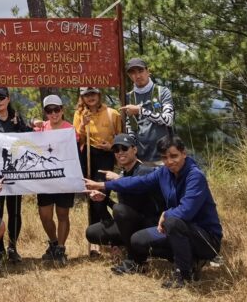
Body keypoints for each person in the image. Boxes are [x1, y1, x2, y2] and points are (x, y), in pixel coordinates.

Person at [84, 136, 223, 289]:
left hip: (206, 238)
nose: (169, 161)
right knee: (137, 241)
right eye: (164, 157)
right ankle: (191, 259)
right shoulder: (164, 172)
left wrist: (166, 214)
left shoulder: (195, 176)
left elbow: (186, 211)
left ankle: (183, 273)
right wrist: (102, 185)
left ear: (184, 153)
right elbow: (137, 182)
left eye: (174, 156)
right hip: (176, 228)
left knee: (172, 221)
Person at [84, 133, 164, 264]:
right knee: (92, 232)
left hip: (149, 225)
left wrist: (114, 181)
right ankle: (125, 245)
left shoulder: (145, 171)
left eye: (124, 148)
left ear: (135, 150)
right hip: (130, 223)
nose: (120, 152)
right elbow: (126, 207)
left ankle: (135, 259)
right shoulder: (123, 173)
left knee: (120, 210)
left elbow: (133, 193)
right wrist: (104, 199)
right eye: (116, 150)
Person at [0, 86, 32, 262]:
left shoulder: (17, 117)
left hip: (15, 172)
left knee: (15, 211)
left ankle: (13, 248)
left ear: (8, 99)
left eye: (2, 97)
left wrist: (31, 128)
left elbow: (28, 138)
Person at [72, 86, 120, 256]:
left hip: (105, 156)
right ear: (82, 97)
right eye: (87, 95)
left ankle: (115, 237)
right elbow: (78, 139)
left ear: (99, 95)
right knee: (91, 198)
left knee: (100, 196)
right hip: (88, 156)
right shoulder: (79, 114)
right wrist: (83, 125)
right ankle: (96, 242)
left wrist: (112, 147)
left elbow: (121, 138)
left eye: (93, 94)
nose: (90, 97)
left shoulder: (112, 113)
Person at [31, 94, 75, 264]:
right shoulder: (40, 129)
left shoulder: (70, 129)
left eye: (57, 109)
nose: (54, 113)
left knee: (63, 214)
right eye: (49, 111)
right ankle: (53, 242)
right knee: (45, 215)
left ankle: (61, 248)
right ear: (45, 112)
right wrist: (32, 122)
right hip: (45, 180)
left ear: (62, 110)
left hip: (64, 178)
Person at [120, 58, 174, 164]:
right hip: (140, 158)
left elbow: (168, 120)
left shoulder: (162, 92)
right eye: (133, 73)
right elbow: (130, 126)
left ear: (148, 71)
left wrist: (141, 111)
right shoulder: (128, 97)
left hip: (164, 156)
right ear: (130, 76)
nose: (138, 76)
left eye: (140, 71)